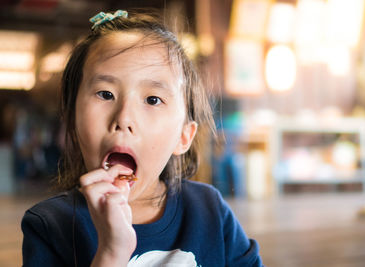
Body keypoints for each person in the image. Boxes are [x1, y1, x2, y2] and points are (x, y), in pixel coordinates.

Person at [21, 10, 263, 267]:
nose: (124, 118)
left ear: (184, 136)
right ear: (72, 119)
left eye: (153, 99)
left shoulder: (210, 211)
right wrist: (112, 252)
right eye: (105, 94)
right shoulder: (48, 225)